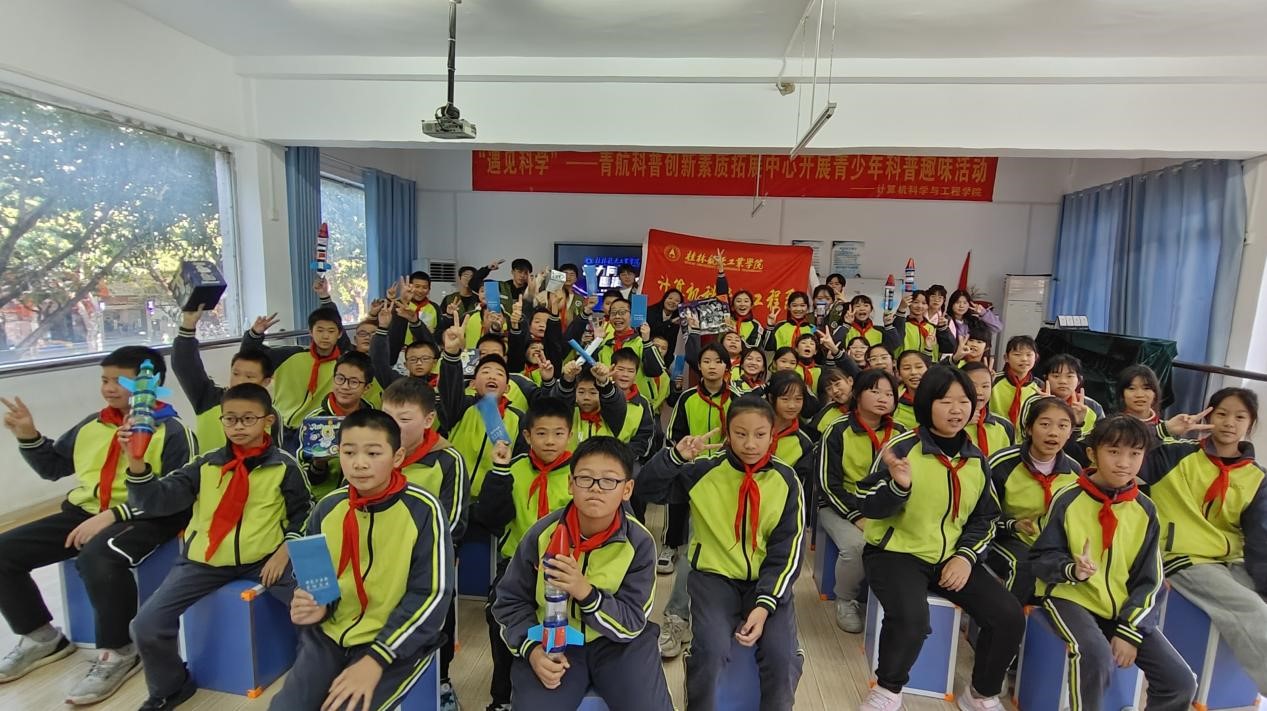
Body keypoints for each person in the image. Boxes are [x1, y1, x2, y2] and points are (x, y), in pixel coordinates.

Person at [0, 347, 195, 704]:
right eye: (104, 380)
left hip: (148, 516)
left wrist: (115, 515)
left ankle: (120, 651)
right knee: (3, 551)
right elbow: (53, 467)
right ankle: (41, 636)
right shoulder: (92, 424)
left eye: (119, 380)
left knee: (98, 556)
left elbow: (178, 496)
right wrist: (27, 434)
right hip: (85, 511)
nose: (108, 388)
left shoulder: (172, 430)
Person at [125, 383, 309, 709]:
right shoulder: (204, 465)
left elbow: (305, 515)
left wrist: (285, 552)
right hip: (202, 563)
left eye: (248, 419)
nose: (238, 426)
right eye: (230, 418)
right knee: (146, 624)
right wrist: (136, 463)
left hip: (265, 559)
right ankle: (171, 687)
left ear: (268, 421)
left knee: (315, 608)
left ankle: (313, 673)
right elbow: (155, 501)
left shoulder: (285, 466)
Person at [855, 365, 1025, 711]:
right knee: (912, 619)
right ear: (926, 404)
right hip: (895, 553)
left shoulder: (976, 459)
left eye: (964, 401)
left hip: (951, 557)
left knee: (1008, 615)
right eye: (945, 401)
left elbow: (986, 517)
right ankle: (888, 689)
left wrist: (965, 556)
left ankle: (980, 693)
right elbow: (867, 504)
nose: (956, 409)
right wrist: (898, 487)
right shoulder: (902, 448)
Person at [270, 409, 454, 711]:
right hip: (330, 635)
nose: (359, 463)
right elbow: (316, 583)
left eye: (373, 453)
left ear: (397, 457)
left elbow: (432, 594)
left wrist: (377, 657)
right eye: (349, 452)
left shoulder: (424, 509)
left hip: (396, 643)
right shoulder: (327, 507)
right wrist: (315, 605)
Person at [641, 396, 806, 711]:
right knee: (711, 649)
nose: (750, 443)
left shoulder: (786, 479)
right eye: (740, 434)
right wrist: (675, 457)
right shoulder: (704, 471)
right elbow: (648, 491)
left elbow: (788, 548)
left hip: (767, 582)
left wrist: (765, 604)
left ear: (772, 434)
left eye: (760, 434)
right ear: (728, 433)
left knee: (782, 656)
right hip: (713, 578)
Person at [492, 436, 672, 709]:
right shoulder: (542, 534)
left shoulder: (639, 542)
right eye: (585, 478)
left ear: (627, 489)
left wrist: (585, 593)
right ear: (570, 483)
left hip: (619, 646)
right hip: (554, 641)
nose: (596, 488)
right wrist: (532, 650)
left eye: (609, 480)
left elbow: (633, 621)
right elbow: (509, 601)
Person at [1030, 416, 1196, 711]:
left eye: (1134, 453)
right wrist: (1071, 569)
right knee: (1095, 655)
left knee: (1181, 681)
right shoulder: (1068, 499)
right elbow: (1040, 558)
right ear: (1092, 454)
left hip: (1121, 607)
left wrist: (1130, 630)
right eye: (1114, 452)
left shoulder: (1146, 509)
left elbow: (1151, 580)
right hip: (1069, 597)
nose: (1124, 463)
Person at [1138, 387, 1267, 694]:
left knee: (1258, 600)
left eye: (1240, 417)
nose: (1229, 422)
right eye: (1221, 414)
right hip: (1183, 557)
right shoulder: (1175, 455)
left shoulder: (1257, 477)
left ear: (1251, 423)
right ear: (1208, 415)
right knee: (1251, 608)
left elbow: (1260, 539)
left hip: (1229, 560)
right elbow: (1116, 448)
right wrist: (1165, 430)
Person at [474, 397, 575, 711]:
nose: (550, 441)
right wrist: (499, 472)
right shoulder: (513, 467)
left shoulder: (579, 473)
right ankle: (502, 696)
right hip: (517, 567)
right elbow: (490, 518)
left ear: (570, 435)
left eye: (558, 433)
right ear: (528, 435)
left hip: (568, 569)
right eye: (541, 433)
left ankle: (561, 681)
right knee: (498, 616)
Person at [656, 343, 741, 658]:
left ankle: (722, 620)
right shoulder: (688, 398)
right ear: (699, 367)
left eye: (718, 361)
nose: (712, 366)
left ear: (727, 366)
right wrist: (685, 458)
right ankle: (677, 616)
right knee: (694, 543)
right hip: (693, 475)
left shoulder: (738, 400)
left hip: (729, 480)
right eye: (706, 361)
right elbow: (673, 437)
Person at [818, 369, 903, 633]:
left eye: (889, 394)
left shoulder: (901, 434)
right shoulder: (837, 429)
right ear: (857, 394)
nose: (883, 398)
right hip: (839, 506)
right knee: (856, 546)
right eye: (875, 391)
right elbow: (827, 484)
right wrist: (857, 515)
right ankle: (845, 599)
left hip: (885, 506)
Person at [986, 396, 1081, 603]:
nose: (1053, 432)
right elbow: (981, 514)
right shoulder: (1001, 463)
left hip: (1049, 544)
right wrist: (1013, 524)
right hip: (1004, 537)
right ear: (1029, 428)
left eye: (1063, 426)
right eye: (1045, 424)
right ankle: (1009, 619)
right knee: (1024, 567)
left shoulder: (1074, 471)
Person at [240, 276, 353, 449]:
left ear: (339, 334)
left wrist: (325, 297)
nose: (325, 336)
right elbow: (249, 355)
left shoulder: (343, 364)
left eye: (331, 331)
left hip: (319, 429)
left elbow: (337, 325)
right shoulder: (291, 355)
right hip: (280, 427)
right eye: (320, 330)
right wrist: (254, 334)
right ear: (310, 332)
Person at [439, 320, 526, 499]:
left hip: (490, 501)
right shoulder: (462, 406)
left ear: (507, 388)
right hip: (452, 495)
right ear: (473, 384)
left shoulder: (519, 419)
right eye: (485, 372)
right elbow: (449, 388)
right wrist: (452, 354)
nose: (492, 376)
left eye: (499, 373)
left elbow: (520, 462)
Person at [173, 306, 275, 453]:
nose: (240, 381)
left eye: (249, 377)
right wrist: (188, 325)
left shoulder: (271, 413)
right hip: (211, 467)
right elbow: (185, 366)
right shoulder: (209, 399)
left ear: (266, 382)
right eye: (236, 374)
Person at [297, 351, 376, 501]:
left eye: (353, 382)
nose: (345, 386)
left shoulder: (375, 421)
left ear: (367, 388)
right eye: (340, 379)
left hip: (365, 498)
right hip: (322, 500)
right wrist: (318, 464)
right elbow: (304, 477)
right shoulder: (315, 421)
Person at [765, 371, 818, 505]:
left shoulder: (804, 444)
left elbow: (802, 489)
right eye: (785, 399)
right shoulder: (753, 430)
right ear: (771, 398)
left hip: (781, 505)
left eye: (798, 399)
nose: (792, 406)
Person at [1039, 353, 1105, 439]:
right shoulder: (1034, 400)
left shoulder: (1093, 407)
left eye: (1069, 376)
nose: (1063, 381)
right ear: (1046, 378)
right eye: (1056, 376)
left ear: (1079, 380)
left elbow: (1101, 439)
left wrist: (1078, 423)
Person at [963, 361, 1017, 458]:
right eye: (973, 386)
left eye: (985, 386)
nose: (979, 392)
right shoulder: (947, 426)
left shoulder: (1005, 426)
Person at [989, 335, 1044, 429]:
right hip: (996, 432)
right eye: (1017, 354)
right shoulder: (994, 380)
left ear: (1036, 357)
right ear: (1006, 358)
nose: (1024, 359)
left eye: (1029, 355)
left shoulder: (1040, 386)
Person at [806, 367, 854, 438]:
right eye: (829, 389)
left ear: (850, 381)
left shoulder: (866, 407)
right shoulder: (826, 412)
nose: (835, 391)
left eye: (837, 384)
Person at [893, 350, 929, 429]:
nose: (913, 372)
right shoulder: (893, 401)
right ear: (898, 373)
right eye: (906, 368)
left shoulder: (941, 397)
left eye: (919, 367)